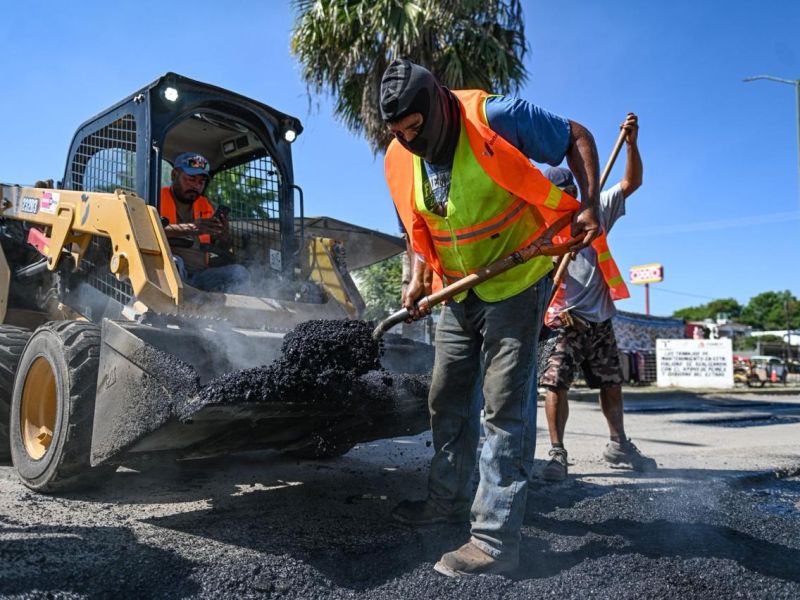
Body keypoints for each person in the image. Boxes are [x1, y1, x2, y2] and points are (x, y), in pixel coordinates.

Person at [380, 59, 628, 577]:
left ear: (437, 105)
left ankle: (495, 541)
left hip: (516, 281)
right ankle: (445, 503)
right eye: (399, 133)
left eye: (415, 128)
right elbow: (417, 225)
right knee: (447, 398)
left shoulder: (492, 116)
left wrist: (588, 204)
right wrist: (418, 278)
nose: (410, 141)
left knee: (503, 408)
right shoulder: (399, 158)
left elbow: (576, 136)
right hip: (459, 291)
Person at [539, 113, 656, 481]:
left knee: (611, 383)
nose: (567, 199)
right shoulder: (538, 223)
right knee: (555, 383)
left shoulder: (596, 206)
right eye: (560, 195)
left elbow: (631, 182)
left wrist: (632, 145)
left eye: (571, 193)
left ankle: (619, 445)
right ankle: (557, 454)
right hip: (563, 319)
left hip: (600, 316)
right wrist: (549, 312)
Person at [160, 152, 249, 292]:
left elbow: (222, 249)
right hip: (170, 271)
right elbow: (148, 231)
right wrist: (191, 228)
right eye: (191, 179)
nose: (196, 186)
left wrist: (223, 236)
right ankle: (174, 302)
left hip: (201, 275)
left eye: (201, 182)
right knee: (174, 263)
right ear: (174, 174)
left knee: (239, 273)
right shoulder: (155, 197)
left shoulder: (206, 206)